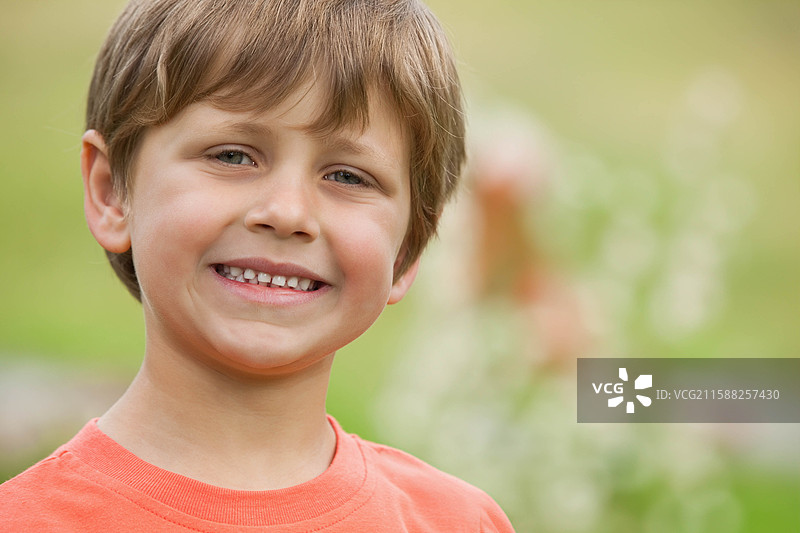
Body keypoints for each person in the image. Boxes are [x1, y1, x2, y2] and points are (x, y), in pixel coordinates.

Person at [0, 0, 514, 531]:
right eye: (232, 156)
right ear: (112, 193)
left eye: (347, 177)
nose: (288, 213)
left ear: (408, 250)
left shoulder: (460, 522)